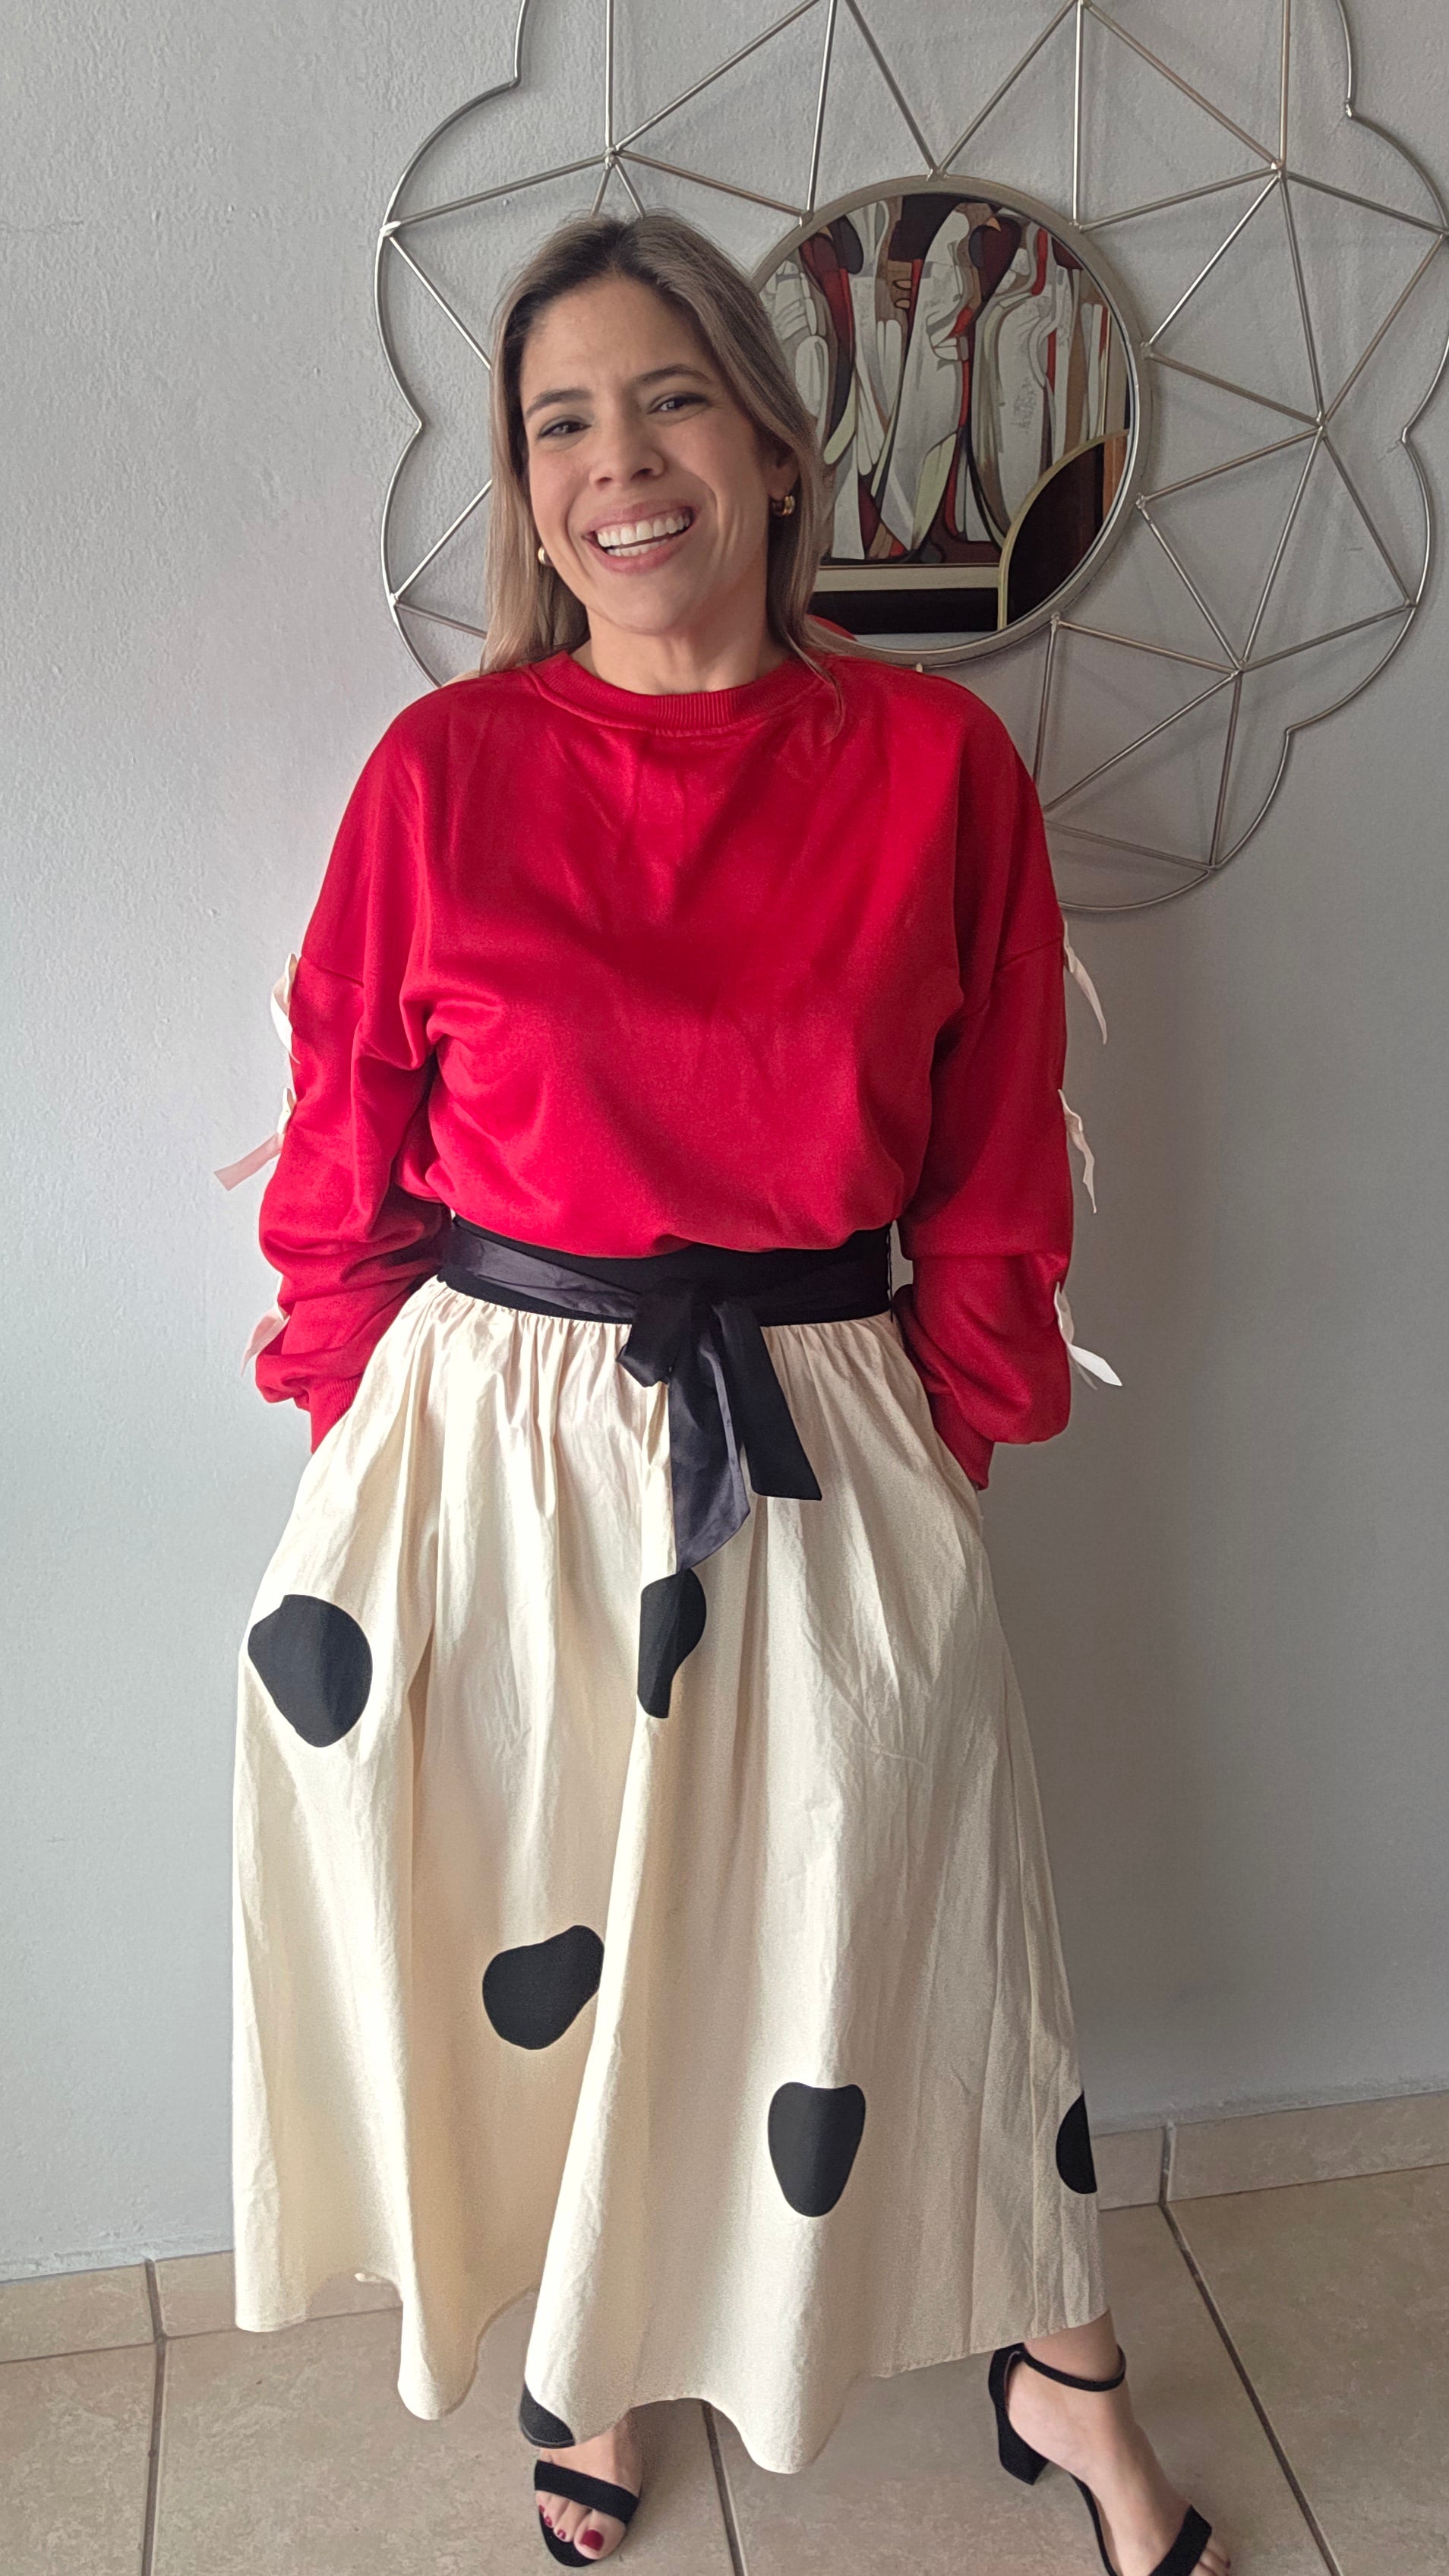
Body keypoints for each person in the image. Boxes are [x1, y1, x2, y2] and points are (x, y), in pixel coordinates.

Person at [229, 209, 1227, 2576]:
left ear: (775, 448)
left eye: (669, 398)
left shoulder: (932, 764)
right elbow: (338, 1138)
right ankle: (596, 2351)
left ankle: (1059, 2360)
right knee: (559, 1905)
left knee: (919, 1897)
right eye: (561, 422)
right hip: (493, 1435)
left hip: (820, 1415)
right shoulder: (445, 773)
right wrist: (368, 1450)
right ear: (522, 485)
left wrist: (939, 1445)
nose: (621, 464)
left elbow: (991, 1169)